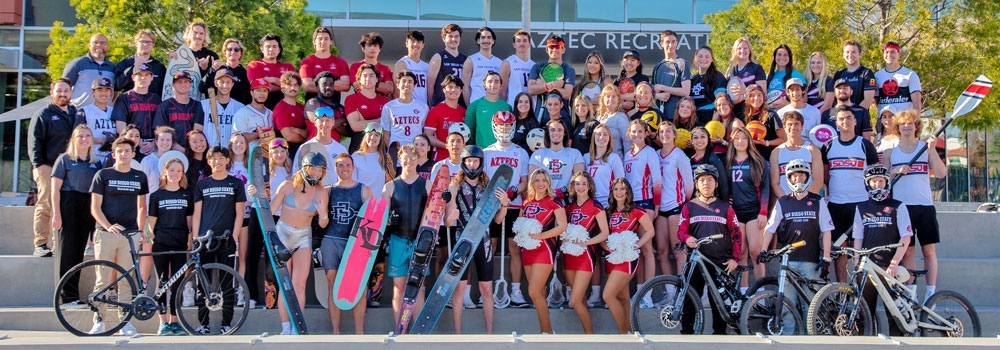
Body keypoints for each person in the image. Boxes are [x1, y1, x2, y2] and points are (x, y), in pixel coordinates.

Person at [253, 150, 328, 335]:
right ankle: (285, 327)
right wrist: (256, 194)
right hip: (283, 234)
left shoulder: (321, 193)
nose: (317, 174)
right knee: (284, 284)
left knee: (299, 285)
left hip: (303, 237)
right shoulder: (287, 186)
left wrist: (323, 212)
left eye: (320, 171)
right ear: (305, 169)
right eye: (314, 170)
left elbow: (323, 223)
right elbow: (269, 210)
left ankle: (297, 326)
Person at [441, 145, 509, 333]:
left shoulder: (488, 186)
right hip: (461, 240)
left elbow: (497, 220)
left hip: (484, 241)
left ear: (480, 162)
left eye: (475, 161)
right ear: (463, 163)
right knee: (459, 290)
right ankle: (458, 335)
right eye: (468, 161)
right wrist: (450, 215)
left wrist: (504, 205)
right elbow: (447, 223)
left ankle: (489, 334)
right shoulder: (454, 186)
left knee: (486, 288)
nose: (472, 164)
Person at [88, 137, 149, 335]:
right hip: (105, 234)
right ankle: (99, 319)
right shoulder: (102, 175)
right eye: (119, 151)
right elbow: (95, 207)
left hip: (129, 235)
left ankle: (125, 322)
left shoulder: (139, 176)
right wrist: (107, 226)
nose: (123, 154)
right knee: (102, 278)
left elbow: (142, 206)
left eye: (127, 151)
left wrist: (141, 230)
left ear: (133, 154)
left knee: (126, 279)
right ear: (114, 154)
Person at [883, 109, 945, 302]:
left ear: (916, 126)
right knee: (908, 251)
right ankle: (912, 293)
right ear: (898, 127)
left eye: (911, 123)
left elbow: (941, 173)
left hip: (924, 206)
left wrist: (932, 149)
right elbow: (882, 181)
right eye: (903, 123)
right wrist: (895, 171)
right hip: (902, 208)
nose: (907, 126)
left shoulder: (925, 148)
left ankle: (930, 293)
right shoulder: (890, 151)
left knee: (928, 250)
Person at [678, 164, 743, 335]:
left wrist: (735, 259)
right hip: (696, 262)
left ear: (716, 184)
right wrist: (687, 238)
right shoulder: (689, 207)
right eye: (702, 180)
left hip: (720, 262)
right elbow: (681, 231)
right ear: (697, 184)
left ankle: (719, 338)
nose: (706, 183)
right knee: (689, 301)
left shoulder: (726, 208)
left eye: (709, 180)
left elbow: (737, 234)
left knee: (718, 304)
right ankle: (686, 336)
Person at [191, 146, 247, 334]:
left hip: (225, 239)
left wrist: (234, 235)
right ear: (209, 161)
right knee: (203, 284)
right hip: (204, 240)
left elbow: (240, 213)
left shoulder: (236, 184)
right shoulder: (202, 184)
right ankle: (204, 324)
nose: (217, 162)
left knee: (227, 284)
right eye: (213, 158)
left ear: (227, 160)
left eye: (221, 158)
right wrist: (195, 238)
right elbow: (197, 214)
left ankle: (226, 323)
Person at [822, 104, 879, 282]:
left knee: (859, 249)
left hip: (861, 204)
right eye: (841, 119)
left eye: (848, 118)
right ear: (836, 123)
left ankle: (859, 290)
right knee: (840, 249)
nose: (845, 122)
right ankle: (841, 290)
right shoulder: (828, 146)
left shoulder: (865, 145)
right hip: (836, 205)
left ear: (855, 121)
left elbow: (875, 175)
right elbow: (825, 175)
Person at [853, 164, 913, 336]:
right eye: (874, 181)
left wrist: (894, 263)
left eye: (881, 181)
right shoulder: (861, 208)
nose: (877, 184)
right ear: (868, 183)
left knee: (894, 315)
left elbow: (906, 237)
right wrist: (857, 262)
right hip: (868, 268)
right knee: (865, 313)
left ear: (887, 182)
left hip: (889, 268)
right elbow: (858, 237)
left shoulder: (898, 206)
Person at [760, 159, 834, 290]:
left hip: (811, 261)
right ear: (789, 178)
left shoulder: (817, 200)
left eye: (801, 175)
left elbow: (827, 229)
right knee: (787, 304)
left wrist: (826, 257)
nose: (798, 179)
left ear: (807, 176)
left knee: (811, 305)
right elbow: (770, 228)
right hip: (788, 261)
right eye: (794, 176)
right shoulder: (783, 201)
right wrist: (763, 250)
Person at [319, 153, 372, 334]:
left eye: (347, 165)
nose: (344, 169)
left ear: (353, 167)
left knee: (360, 287)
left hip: (355, 244)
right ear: (335, 168)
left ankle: (359, 332)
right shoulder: (328, 190)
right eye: (340, 165)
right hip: (332, 241)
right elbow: (322, 223)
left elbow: (372, 223)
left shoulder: (364, 190)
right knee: (333, 286)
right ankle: (336, 332)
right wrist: (321, 213)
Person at [483, 111, 531, 307]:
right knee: (490, 248)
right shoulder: (486, 152)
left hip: (514, 206)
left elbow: (525, 182)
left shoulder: (520, 152)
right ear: (495, 127)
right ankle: (488, 290)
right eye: (501, 126)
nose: (504, 129)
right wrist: (496, 197)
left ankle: (516, 291)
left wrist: (511, 193)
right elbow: (484, 180)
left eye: (507, 126)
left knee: (515, 249)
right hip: (492, 207)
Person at [28, 78, 79, 257]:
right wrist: (38, 165)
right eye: (59, 91)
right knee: (46, 204)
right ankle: (41, 243)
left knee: (66, 206)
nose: (62, 94)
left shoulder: (76, 113)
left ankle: (60, 243)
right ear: (52, 93)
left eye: (66, 90)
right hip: (48, 166)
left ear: (71, 93)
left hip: (71, 167)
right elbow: (34, 141)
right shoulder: (44, 114)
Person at [51, 125, 100, 308]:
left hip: (87, 204)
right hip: (69, 202)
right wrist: (56, 213)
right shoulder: (64, 160)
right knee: (68, 251)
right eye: (80, 136)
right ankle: (67, 297)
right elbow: (55, 189)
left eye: (87, 136)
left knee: (79, 251)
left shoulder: (95, 162)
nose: (84, 139)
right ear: (74, 139)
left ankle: (74, 295)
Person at [514, 169, 567, 334]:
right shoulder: (526, 202)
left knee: (533, 291)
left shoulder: (554, 201)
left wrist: (541, 236)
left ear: (549, 182)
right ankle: (545, 329)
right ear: (532, 183)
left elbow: (562, 226)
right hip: (528, 250)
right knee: (539, 292)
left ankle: (548, 332)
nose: (541, 183)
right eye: (537, 180)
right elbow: (519, 224)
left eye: (544, 180)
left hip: (545, 250)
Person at [380, 144, 429, 321]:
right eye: (405, 157)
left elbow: (436, 215)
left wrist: (445, 199)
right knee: (399, 288)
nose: (409, 161)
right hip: (398, 240)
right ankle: (400, 329)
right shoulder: (389, 187)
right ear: (400, 159)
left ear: (418, 159)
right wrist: (388, 220)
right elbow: (382, 220)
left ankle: (418, 332)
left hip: (420, 242)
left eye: (413, 157)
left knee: (418, 287)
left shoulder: (427, 185)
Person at [146, 156, 193, 335]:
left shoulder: (186, 194)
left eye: (178, 171)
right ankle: (163, 322)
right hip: (162, 243)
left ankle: (175, 321)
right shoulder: (157, 195)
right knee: (163, 281)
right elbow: (152, 222)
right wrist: (153, 238)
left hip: (180, 243)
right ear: (165, 172)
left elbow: (189, 222)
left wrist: (189, 239)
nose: (175, 174)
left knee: (177, 282)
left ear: (182, 174)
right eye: (172, 170)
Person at [603, 178, 655, 334]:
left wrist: (636, 245)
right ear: (612, 192)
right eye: (616, 189)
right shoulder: (608, 212)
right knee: (624, 298)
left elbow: (650, 231)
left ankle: (622, 334)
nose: (619, 192)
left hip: (627, 258)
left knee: (608, 295)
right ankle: (632, 332)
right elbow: (602, 235)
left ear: (628, 192)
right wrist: (606, 247)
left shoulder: (636, 210)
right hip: (612, 258)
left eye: (622, 189)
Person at [246, 139, 293, 307]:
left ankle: (271, 297)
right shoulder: (263, 170)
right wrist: (251, 191)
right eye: (275, 152)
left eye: (282, 151)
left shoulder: (291, 172)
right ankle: (250, 296)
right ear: (270, 154)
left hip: (278, 216)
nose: (279, 155)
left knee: (272, 256)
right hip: (258, 212)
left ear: (286, 153)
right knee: (252, 253)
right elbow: (250, 189)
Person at [563, 172, 610, 333]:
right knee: (580, 298)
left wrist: (586, 242)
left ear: (589, 186)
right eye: (577, 184)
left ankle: (591, 337)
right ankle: (586, 332)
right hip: (569, 256)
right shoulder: (569, 207)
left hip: (586, 256)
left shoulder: (596, 206)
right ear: (573, 187)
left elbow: (605, 233)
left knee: (575, 300)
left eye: (584, 184)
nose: (580, 187)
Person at [623, 119, 662, 303]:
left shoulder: (650, 153)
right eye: (634, 131)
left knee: (646, 248)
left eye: (640, 131)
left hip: (645, 203)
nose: (637, 135)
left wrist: (655, 207)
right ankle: (639, 294)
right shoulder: (628, 154)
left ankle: (648, 295)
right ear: (628, 134)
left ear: (646, 134)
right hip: (630, 204)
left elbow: (657, 181)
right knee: (636, 250)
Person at [726, 127, 770, 283]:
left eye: (744, 138)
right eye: (737, 138)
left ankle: (761, 292)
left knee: (755, 252)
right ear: (732, 141)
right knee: (740, 252)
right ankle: (743, 291)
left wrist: (763, 213)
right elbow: (725, 187)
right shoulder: (728, 161)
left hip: (754, 211)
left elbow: (765, 188)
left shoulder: (757, 161)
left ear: (749, 141)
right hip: (736, 213)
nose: (740, 142)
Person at [654, 122, 692, 278]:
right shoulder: (655, 154)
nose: (665, 134)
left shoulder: (679, 156)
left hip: (675, 207)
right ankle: (670, 292)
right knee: (662, 252)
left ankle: (682, 292)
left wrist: (682, 204)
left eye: (668, 131)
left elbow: (689, 185)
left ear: (675, 134)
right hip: (659, 209)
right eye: (661, 132)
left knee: (678, 251)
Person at [428, 131, 466, 281]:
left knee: (462, 258)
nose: (455, 144)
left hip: (462, 216)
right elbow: (432, 191)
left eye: (458, 141)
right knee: (442, 256)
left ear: (464, 145)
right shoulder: (440, 166)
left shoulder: (467, 165)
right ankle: (440, 290)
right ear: (447, 145)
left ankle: (463, 294)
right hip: (443, 218)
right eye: (452, 141)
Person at [769, 111, 824, 198]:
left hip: (808, 202)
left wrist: (806, 198)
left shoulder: (812, 149)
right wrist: (786, 200)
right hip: (786, 202)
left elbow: (818, 180)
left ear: (802, 127)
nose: (793, 127)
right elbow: (774, 183)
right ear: (784, 127)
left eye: (796, 124)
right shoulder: (776, 152)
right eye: (790, 124)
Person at [291, 106, 349, 187]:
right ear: (315, 123)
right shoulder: (305, 147)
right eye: (321, 121)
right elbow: (296, 175)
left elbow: (347, 175)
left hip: (334, 194)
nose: (324, 124)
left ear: (333, 122)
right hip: (313, 195)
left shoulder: (341, 149)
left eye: (328, 120)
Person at [530, 119, 586, 202]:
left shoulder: (575, 153)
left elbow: (580, 180)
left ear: (564, 133)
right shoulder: (538, 154)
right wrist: (547, 195)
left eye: (560, 130)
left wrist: (564, 192)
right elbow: (532, 181)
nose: (556, 133)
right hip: (544, 203)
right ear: (548, 133)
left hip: (567, 203)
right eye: (552, 130)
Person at [111, 63, 161, 156]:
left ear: (152, 78)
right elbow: (120, 127)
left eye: (147, 75)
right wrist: (138, 142)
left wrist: (154, 143)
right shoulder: (124, 98)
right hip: (131, 145)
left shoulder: (156, 99)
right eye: (140, 75)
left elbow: (161, 125)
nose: (143, 78)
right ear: (133, 77)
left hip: (153, 146)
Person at [527, 35, 575, 122]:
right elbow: (531, 90)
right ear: (546, 49)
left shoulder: (569, 70)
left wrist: (543, 85)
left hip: (562, 118)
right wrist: (553, 85)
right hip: (540, 117)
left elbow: (566, 94)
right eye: (551, 46)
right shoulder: (537, 67)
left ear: (563, 50)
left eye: (558, 46)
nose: (554, 49)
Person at [381, 72, 429, 158]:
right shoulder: (389, 107)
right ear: (398, 85)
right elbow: (386, 134)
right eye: (404, 81)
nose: (406, 84)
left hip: (416, 154)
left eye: (410, 81)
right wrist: (394, 152)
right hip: (396, 155)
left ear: (414, 86)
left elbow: (424, 131)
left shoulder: (423, 107)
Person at [345, 64, 391, 153]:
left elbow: (389, 126)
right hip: (358, 149)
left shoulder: (386, 101)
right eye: (364, 76)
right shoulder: (351, 99)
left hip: (380, 150)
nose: (368, 78)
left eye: (371, 75)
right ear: (359, 80)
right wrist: (380, 121)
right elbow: (355, 126)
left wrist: (363, 121)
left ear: (377, 79)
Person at [227, 132, 252, 290]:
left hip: (246, 214)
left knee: (243, 255)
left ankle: (241, 290)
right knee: (229, 256)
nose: (238, 145)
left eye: (242, 142)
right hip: (228, 215)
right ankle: (228, 289)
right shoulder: (225, 164)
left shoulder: (250, 165)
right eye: (235, 142)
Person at [63, 33, 115, 107]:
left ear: (107, 46)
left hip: (105, 115)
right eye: (95, 42)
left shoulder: (113, 67)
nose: (99, 45)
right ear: (89, 45)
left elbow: (115, 92)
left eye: (102, 43)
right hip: (79, 113)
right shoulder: (77, 64)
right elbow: (63, 88)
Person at [154, 72, 203, 148]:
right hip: (170, 149)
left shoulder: (198, 105)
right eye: (179, 82)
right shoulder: (164, 106)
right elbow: (160, 131)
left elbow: (201, 131)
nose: (183, 84)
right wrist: (176, 146)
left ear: (190, 85)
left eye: (186, 82)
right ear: (173, 85)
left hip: (194, 149)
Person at [301, 27, 350, 103]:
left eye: (326, 39)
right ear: (314, 41)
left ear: (331, 41)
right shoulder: (307, 62)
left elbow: (346, 86)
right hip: (313, 108)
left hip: (334, 107)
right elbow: (307, 86)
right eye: (320, 39)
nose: (323, 41)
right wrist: (335, 82)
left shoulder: (340, 62)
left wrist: (316, 82)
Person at [247, 33, 296, 109]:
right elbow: (257, 87)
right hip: (262, 109)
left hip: (285, 108)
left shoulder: (287, 67)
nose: (271, 49)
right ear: (262, 49)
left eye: (274, 46)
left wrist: (270, 80)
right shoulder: (254, 65)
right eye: (268, 46)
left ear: (279, 49)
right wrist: (284, 85)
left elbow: (293, 86)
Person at [423, 75, 466, 161]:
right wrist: (446, 146)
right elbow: (427, 135)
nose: (453, 90)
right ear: (444, 90)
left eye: (457, 87)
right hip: (440, 159)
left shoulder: (464, 112)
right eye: (450, 87)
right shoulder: (435, 110)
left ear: (461, 91)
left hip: (460, 160)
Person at [651, 30, 691, 120]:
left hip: (676, 116)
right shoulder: (657, 66)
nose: (671, 45)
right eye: (667, 42)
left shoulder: (682, 63)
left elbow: (686, 91)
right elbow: (653, 91)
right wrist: (657, 96)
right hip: (659, 116)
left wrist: (663, 88)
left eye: (673, 42)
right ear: (661, 44)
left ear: (676, 43)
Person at [199, 68, 245, 147]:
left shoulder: (240, 107)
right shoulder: (203, 105)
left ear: (232, 84)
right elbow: (197, 131)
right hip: (209, 153)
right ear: (216, 83)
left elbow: (242, 133)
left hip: (230, 154)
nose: (225, 86)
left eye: (228, 82)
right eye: (222, 82)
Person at [465, 71, 512, 147]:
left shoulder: (507, 107)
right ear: (484, 85)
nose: (493, 84)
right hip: (482, 152)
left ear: (500, 86)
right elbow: (469, 133)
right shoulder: (474, 106)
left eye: (496, 82)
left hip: (501, 153)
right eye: (490, 82)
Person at [115, 30, 166, 97]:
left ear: (153, 45)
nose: (145, 44)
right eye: (142, 41)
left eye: (149, 42)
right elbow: (117, 85)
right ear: (136, 43)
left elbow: (165, 90)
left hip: (153, 105)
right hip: (131, 105)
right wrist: (135, 66)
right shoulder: (126, 63)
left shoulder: (159, 67)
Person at [876, 42, 922, 113]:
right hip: (885, 121)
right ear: (883, 54)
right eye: (887, 52)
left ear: (899, 53)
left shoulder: (910, 74)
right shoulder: (877, 76)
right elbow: (876, 100)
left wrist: (915, 120)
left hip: (904, 120)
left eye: (893, 52)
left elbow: (917, 102)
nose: (889, 55)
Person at [352, 123, 395, 199]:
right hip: (362, 204)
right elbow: (353, 184)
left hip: (380, 203)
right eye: (370, 134)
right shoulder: (355, 157)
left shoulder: (386, 158)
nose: (372, 137)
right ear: (365, 136)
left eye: (376, 135)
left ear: (381, 138)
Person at [427, 24, 466, 107]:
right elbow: (430, 85)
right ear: (444, 38)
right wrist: (431, 105)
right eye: (450, 36)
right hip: (442, 105)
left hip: (460, 106)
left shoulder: (465, 59)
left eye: (456, 36)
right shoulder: (438, 57)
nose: (453, 39)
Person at [743, 84, 786, 160]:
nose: (756, 98)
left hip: (767, 159)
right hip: (749, 159)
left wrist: (766, 143)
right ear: (747, 98)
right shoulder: (743, 116)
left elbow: (783, 139)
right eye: (752, 95)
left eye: (759, 95)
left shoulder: (771, 115)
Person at [79, 77, 116, 162]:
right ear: (93, 92)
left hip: (113, 157)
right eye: (100, 90)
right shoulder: (84, 111)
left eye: (107, 90)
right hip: (92, 157)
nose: (104, 93)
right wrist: (102, 140)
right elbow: (77, 136)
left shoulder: (115, 111)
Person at [462, 27, 502, 106]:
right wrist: (469, 107)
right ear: (478, 41)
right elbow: (465, 88)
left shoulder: (500, 62)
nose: (486, 40)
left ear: (493, 41)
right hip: (477, 104)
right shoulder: (471, 60)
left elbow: (502, 88)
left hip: (494, 105)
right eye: (483, 37)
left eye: (489, 37)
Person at [172, 21, 218, 89]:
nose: (198, 36)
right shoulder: (179, 54)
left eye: (201, 33)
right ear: (189, 34)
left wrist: (205, 69)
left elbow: (215, 83)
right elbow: (172, 78)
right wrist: (171, 62)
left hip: (205, 97)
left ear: (205, 36)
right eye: (195, 33)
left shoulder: (212, 56)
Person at [204, 38, 251, 105]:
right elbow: (202, 87)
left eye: (236, 50)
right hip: (217, 109)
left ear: (241, 53)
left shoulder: (245, 73)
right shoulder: (217, 69)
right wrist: (211, 70)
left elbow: (249, 96)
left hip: (238, 110)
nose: (233, 52)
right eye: (229, 49)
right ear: (225, 52)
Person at [232, 78, 275, 150]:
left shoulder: (271, 114)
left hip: (268, 157)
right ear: (251, 93)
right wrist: (259, 134)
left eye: (265, 90)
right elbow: (235, 139)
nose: (262, 93)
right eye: (258, 90)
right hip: (249, 158)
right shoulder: (243, 113)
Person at [833, 39, 877, 109]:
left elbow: (868, 100)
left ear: (860, 54)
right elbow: (834, 99)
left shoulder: (867, 73)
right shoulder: (838, 74)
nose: (850, 55)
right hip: (841, 116)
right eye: (847, 52)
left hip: (860, 117)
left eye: (853, 52)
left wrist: (853, 115)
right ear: (843, 55)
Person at [776, 78, 821, 145]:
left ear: (803, 91)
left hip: (809, 149)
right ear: (787, 92)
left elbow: (818, 135)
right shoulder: (780, 113)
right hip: (788, 149)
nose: (795, 93)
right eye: (792, 90)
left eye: (798, 89)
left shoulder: (815, 112)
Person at [689, 127, 729, 201]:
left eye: (703, 137)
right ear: (692, 141)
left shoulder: (713, 158)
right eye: (695, 138)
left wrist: (725, 203)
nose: (699, 140)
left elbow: (723, 184)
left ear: (708, 139)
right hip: (695, 203)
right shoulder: (690, 160)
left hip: (713, 203)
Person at [690, 46, 728, 126]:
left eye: (707, 57)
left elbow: (721, 101)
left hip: (710, 116)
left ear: (711, 60)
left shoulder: (717, 76)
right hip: (695, 119)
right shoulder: (693, 79)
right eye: (700, 56)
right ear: (696, 58)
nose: (703, 59)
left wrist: (713, 122)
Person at [273, 71, 310, 151]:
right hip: (286, 153)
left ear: (299, 87)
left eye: (296, 85)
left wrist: (298, 130)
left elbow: (310, 132)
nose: (293, 88)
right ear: (282, 88)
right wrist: (306, 139)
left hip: (304, 151)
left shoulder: (303, 107)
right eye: (289, 85)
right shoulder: (280, 108)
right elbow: (289, 136)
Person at [349, 32, 394, 97]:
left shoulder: (385, 68)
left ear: (379, 49)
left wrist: (367, 83)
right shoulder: (355, 66)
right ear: (363, 48)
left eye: (375, 46)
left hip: (380, 103)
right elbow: (357, 86)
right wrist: (380, 85)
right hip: (361, 101)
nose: (372, 48)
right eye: (369, 45)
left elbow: (389, 88)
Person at [304, 71, 347, 140]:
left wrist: (331, 122)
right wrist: (342, 120)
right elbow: (320, 124)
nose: (328, 87)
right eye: (324, 84)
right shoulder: (312, 103)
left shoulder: (340, 108)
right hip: (315, 147)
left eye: (331, 85)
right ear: (317, 86)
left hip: (335, 148)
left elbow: (348, 132)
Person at [501, 30, 536, 106]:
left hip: (530, 109)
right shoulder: (508, 63)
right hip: (513, 107)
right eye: (519, 41)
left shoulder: (533, 65)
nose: (522, 43)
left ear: (529, 44)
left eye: (524, 41)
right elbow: (502, 92)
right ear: (514, 44)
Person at [392, 31, 429, 104]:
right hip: (407, 106)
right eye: (413, 41)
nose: (415, 44)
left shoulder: (426, 66)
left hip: (423, 107)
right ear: (406, 44)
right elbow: (396, 90)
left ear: (423, 45)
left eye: (418, 42)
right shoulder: (402, 63)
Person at [765, 45, 805, 110]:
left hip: (789, 116)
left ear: (790, 57)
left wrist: (788, 104)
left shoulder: (797, 75)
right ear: (774, 57)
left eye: (785, 55)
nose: (782, 57)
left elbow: (804, 100)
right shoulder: (767, 76)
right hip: (770, 116)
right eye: (779, 54)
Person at [595, 85, 630, 158]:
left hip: (616, 161)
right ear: (602, 99)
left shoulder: (621, 117)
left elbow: (628, 143)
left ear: (618, 100)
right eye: (608, 96)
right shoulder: (599, 118)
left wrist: (627, 162)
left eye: (614, 96)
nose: (611, 99)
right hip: (600, 162)